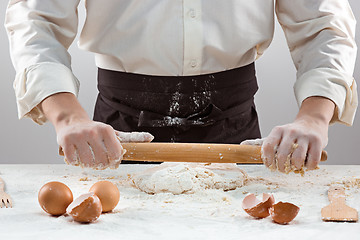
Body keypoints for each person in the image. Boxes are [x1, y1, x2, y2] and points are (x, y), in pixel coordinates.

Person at [5, 1, 357, 172]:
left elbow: (324, 25)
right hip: (115, 136)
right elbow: (35, 21)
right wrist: (67, 117)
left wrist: (313, 117)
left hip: (236, 130)